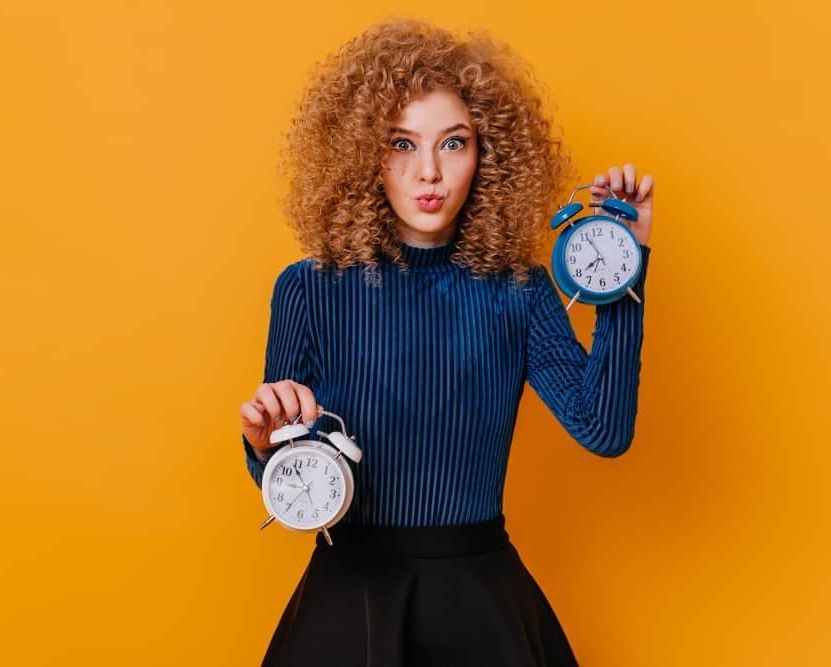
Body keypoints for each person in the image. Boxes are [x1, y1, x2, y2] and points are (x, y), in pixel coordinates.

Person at [238, 17, 654, 667]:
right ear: (364, 152)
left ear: (487, 154)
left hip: (480, 603)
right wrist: (264, 445)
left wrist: (620, 272)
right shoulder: (308, 289)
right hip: (352, 602)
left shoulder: (520, 290)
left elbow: (603, 428)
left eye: (453, 143)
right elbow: (293, 470)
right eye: (402, 144)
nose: (428, 171)